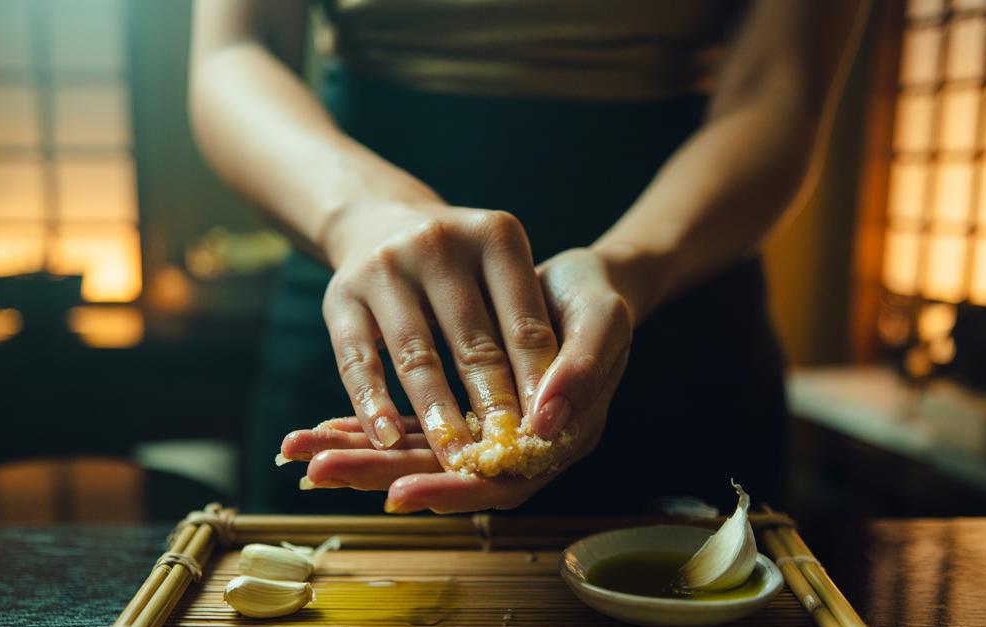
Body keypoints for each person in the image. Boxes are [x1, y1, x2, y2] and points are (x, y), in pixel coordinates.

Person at [190, 0, 863, 516]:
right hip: (359, 250)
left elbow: (781, 89)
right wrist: (363, 216)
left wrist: (632, 265)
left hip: (679, 263)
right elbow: (236, 52)